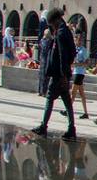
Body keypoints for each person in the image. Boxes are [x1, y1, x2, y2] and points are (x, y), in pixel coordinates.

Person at [31, 8, 77, 140]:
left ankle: (43, 127)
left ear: (56, 20)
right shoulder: (65, 31)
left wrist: (63, 75)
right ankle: (71, 128)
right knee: (67, 102)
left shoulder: (62, 33)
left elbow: (63, 55)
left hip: (58, 74)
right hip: (62, 74)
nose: (51, 26)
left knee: (50, 98)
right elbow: (72, 52)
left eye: (51, 23)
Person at [69, 35, 90, 121]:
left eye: (78, 40)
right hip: (76, 71)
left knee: (73, 92)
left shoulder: (83, 50)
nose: (77, 42)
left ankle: (68, 110)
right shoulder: (75, 50)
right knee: (81, 94)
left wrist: (77, 64)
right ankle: (85, 112)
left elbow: (87, 63)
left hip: (80, 72)